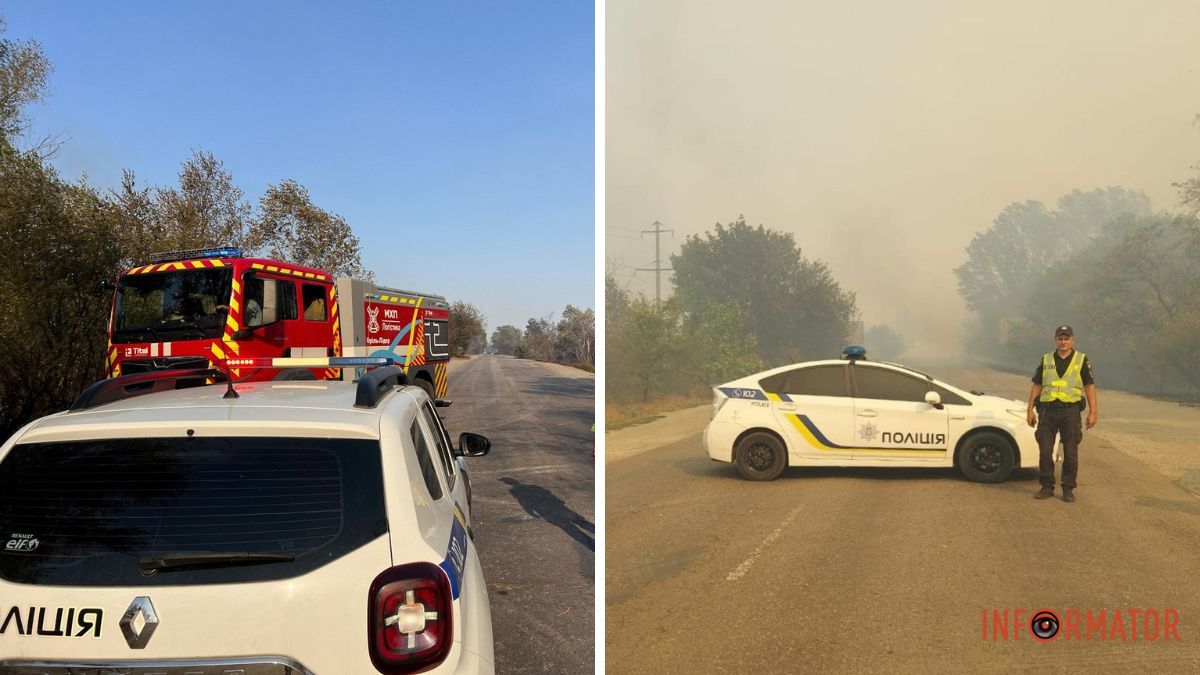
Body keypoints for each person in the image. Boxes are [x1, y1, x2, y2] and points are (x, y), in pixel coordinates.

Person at [1025, 325, 1098, 503]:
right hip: (1047, 411)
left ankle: (1068, 488)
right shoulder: (1046, 359)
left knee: (1071, 452)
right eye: (1060, 338)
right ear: (1055, 340)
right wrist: (1030, 410)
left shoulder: (1081, 359)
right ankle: (1046, 486)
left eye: (1066, 338)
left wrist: (1093, 412)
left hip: (1070, 411)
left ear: (1072, 340)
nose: (1063, 342)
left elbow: (1089, 386)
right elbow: (1036, 385)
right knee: (1045, 451)